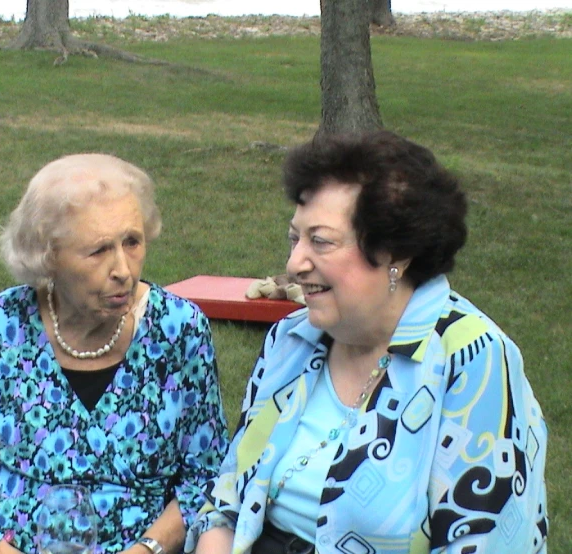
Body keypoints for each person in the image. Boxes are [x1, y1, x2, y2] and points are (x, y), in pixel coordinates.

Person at [185, 131, 548, 554]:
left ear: (394, 253)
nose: (294, 263)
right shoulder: (291, 339)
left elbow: (484, 542)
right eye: (295, 238)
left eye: (321, 241)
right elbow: (229, 497)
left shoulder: (471, 358)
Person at [0, 153, 229, 554]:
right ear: (48, 257)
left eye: (132, 242)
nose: (123, 270)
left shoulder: (179, 330)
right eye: (98, 251)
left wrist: (148, 548)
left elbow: (207, 476)